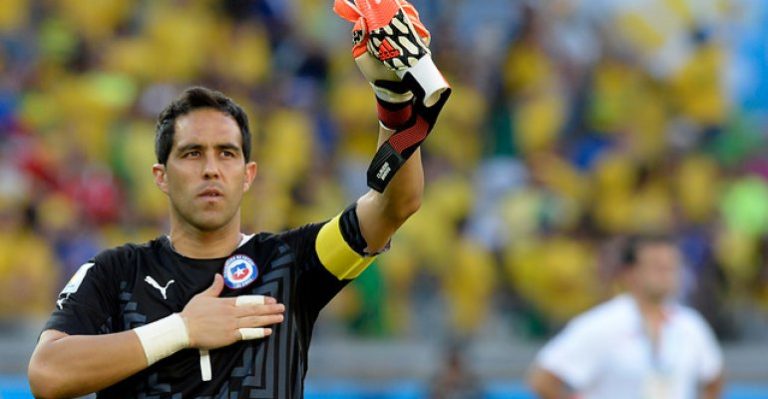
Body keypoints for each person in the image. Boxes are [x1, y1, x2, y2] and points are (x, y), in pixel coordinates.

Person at [27, 1, 450, 396]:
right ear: (161, 176)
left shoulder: (288, 263)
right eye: (192, 153)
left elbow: (395, 205)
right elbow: (47, 374)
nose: (210, 168)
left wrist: (392, 100)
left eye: (226, 154)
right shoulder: (116, 272)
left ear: (248, 176)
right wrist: (181, 330)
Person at [527, 235, 724, 399]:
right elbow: (543, 379)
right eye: (656, 266)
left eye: (671, 267)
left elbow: (714, 377)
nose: (666, 274)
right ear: (630, 273)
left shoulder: (691, 325)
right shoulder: (602, 324)